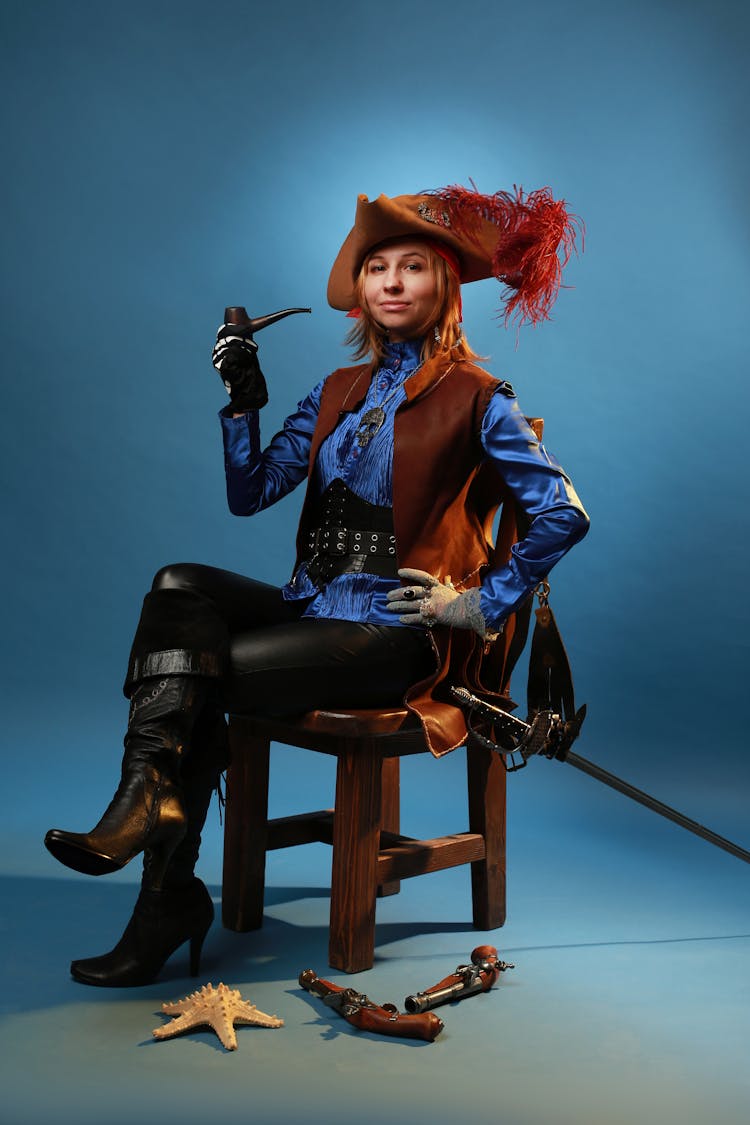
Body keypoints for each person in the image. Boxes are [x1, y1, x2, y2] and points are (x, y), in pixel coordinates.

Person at [44, 184, 590, 987]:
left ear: (445, 286)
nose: (392, 282)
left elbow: (562, 514)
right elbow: (250, 492)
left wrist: (471, 603)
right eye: (377, 269)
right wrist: (242, 402)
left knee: (194, 673)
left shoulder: (480, 397)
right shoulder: (337, 390)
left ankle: (161, 889)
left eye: (413, 267)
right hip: (315, 606)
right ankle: (148, 797)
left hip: (397, 634)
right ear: (362, 289)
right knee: (177, 585)